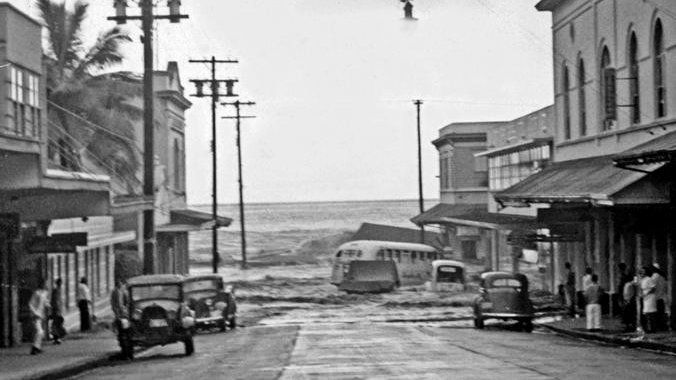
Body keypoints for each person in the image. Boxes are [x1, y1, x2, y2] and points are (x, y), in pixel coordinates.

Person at [28, 279, 50, 355]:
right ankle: (34, 348)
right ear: (41, 284)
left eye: (46, 283)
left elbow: (45, 302)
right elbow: (30, 304)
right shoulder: (36, 293)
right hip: (35, 315)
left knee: (41, 332)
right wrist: (34, 313)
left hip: (41, 315)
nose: (46, 285)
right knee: (39, 332)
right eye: (45, 283)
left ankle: (38, 347)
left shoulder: (45, 293)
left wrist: (48, 306)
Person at [640, 266, 657, 333]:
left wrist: (646, 293)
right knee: (646, 313)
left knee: (651, 313)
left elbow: (653, 288)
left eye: (643, 272)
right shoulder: (642, 280)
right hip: (645, 298)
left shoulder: (649, 279)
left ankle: (653, 329)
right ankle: (648, 328)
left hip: (650, 297)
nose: (642, 273)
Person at [652, 263, 667, 331]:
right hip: (662, 298)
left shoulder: (654, 277)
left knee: (656, 315)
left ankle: (657, 328)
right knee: (661, 314)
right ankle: (662, 327)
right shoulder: (663, 277)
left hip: (655, 298)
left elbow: (652, 288)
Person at [50, 278, 66, 344]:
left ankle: (56, 338)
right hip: (56, 309)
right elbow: (55, 301)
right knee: (56, 324)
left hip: (58, 309)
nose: (61, 284)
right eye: (60, 283)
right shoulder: (56, 290)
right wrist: (57, 309)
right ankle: (56, 338)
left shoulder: (58, 290)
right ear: (58, 283)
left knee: (57, 324)